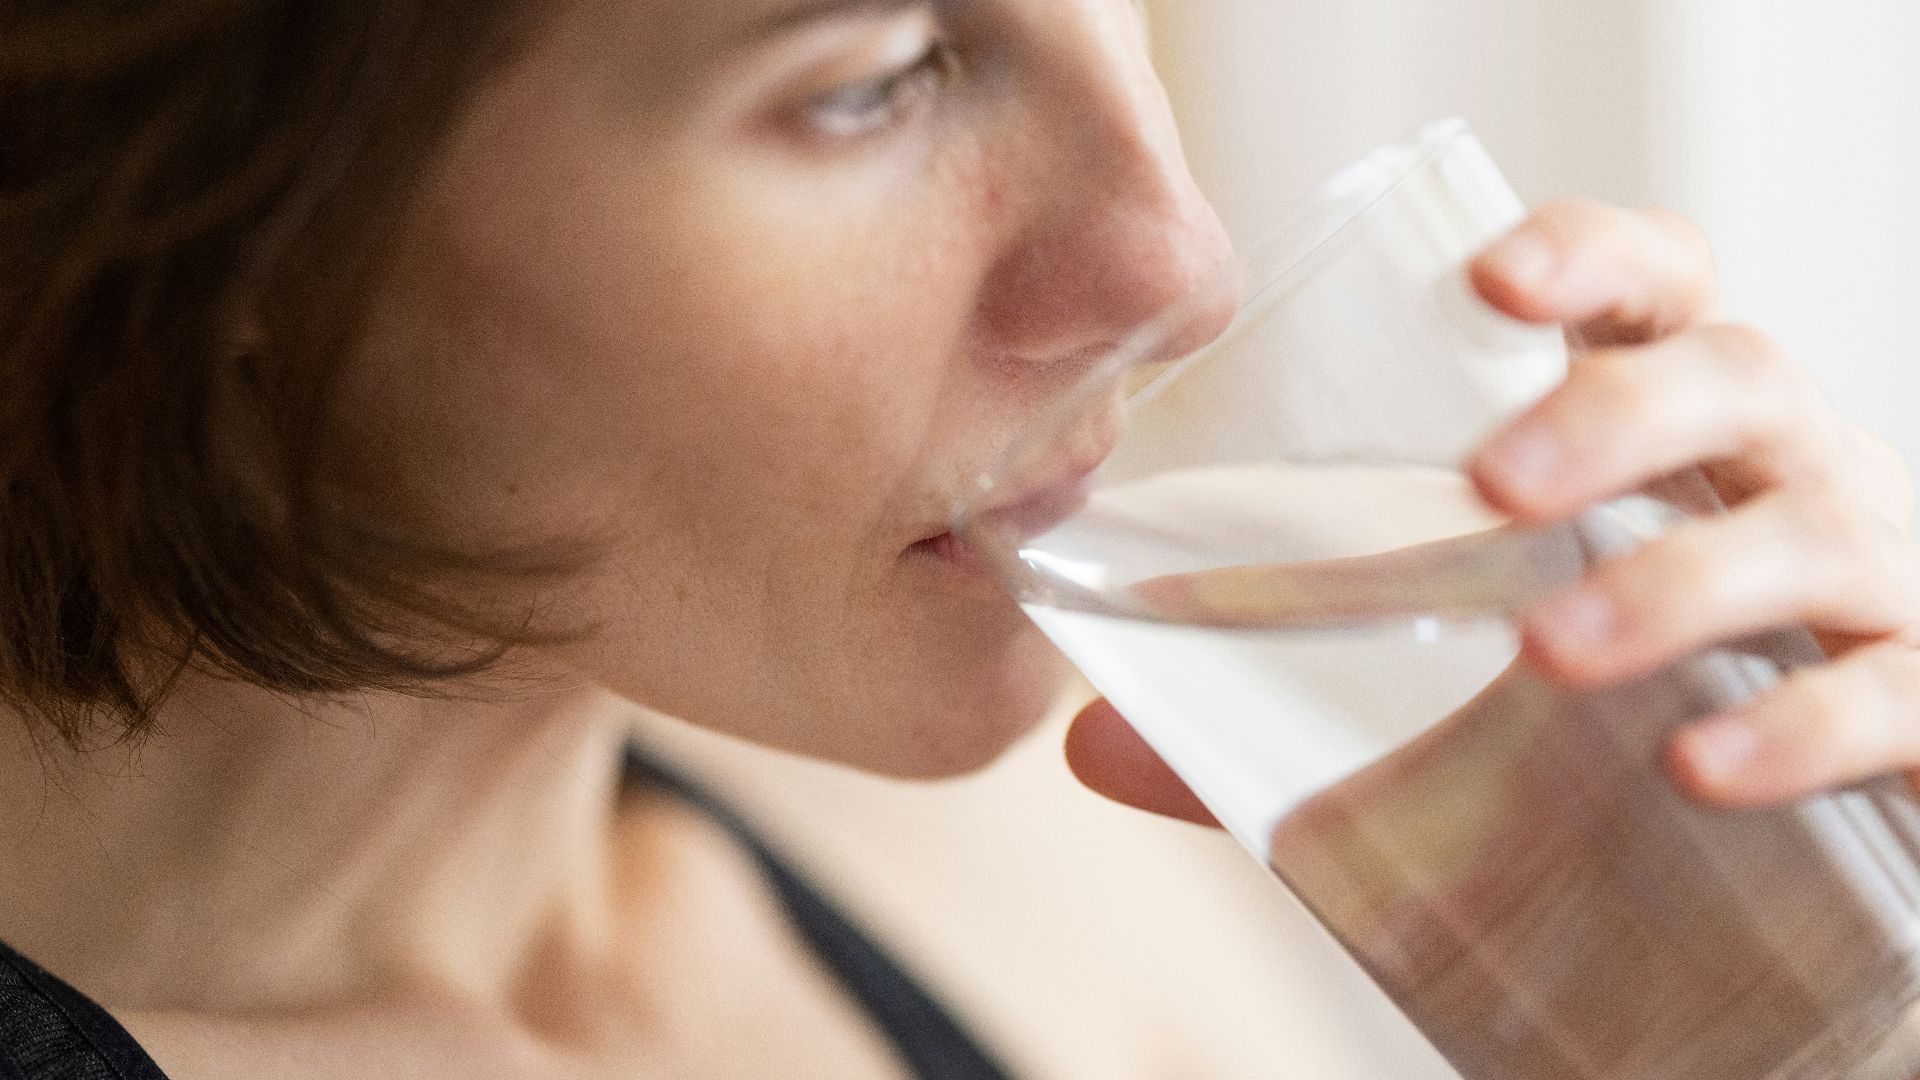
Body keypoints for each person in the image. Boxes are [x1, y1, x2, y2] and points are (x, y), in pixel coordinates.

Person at [1, 1, 1915, 1077]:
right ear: (216, 213)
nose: (1179, 265)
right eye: (871, 79)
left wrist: (1767, 1020)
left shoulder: (1008, 860)